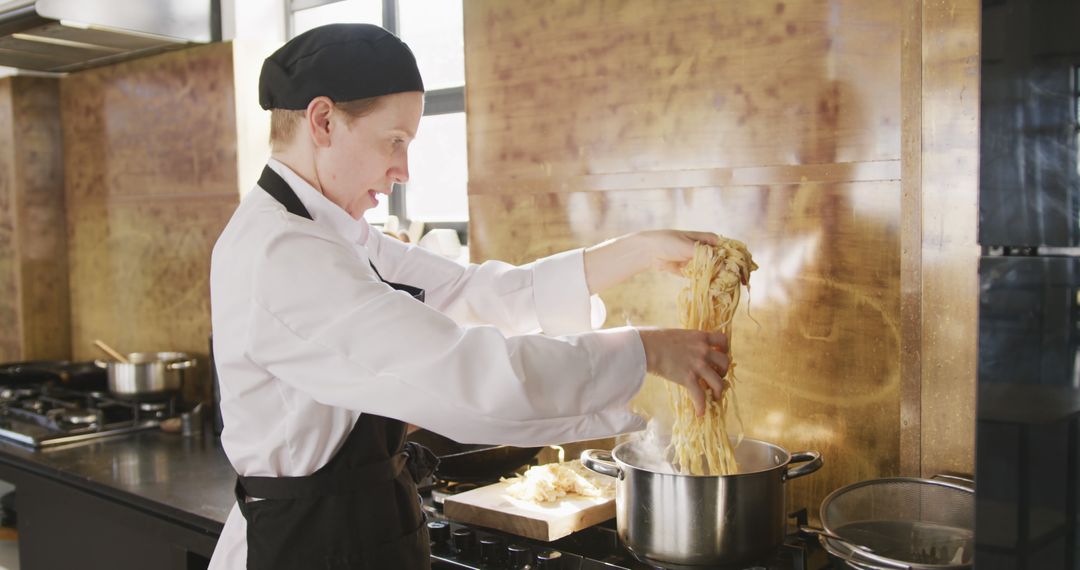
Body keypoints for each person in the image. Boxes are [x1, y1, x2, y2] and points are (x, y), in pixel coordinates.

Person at [208, 23, 732, 570]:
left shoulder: (331, 233)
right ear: (323, 121)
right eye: (395, 141)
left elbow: (471, 291)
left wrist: (636, 251)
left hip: (361, 530)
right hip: (311, 546)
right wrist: (646, 353)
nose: (403, 170)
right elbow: (467, 377)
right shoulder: (283, 254)